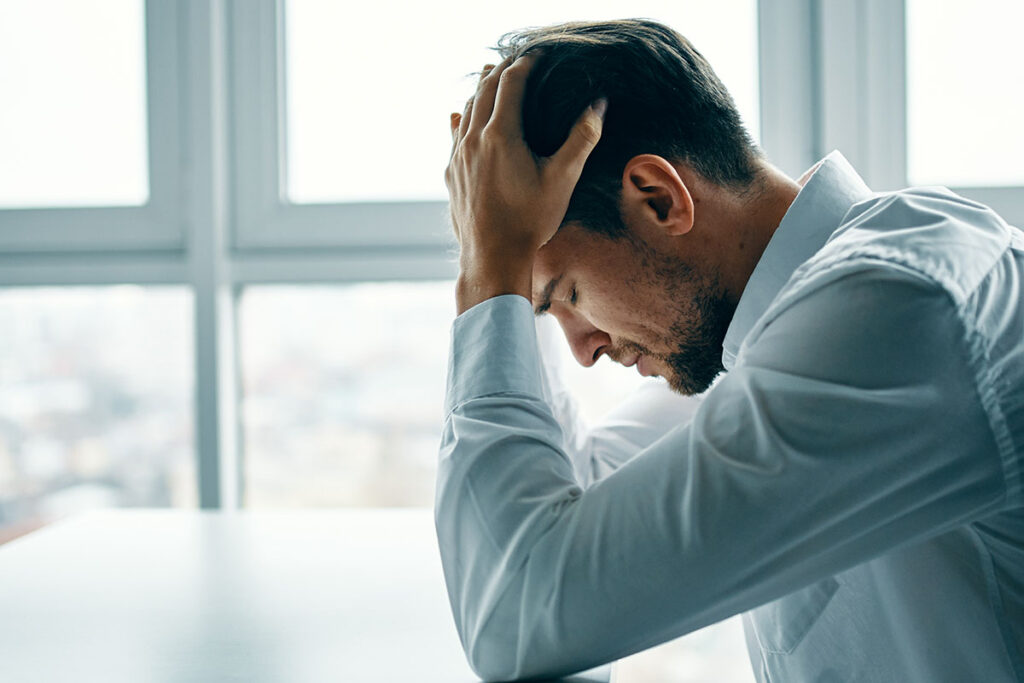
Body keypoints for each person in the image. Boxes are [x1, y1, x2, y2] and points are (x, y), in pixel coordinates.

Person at [437, 19, 1024, 682]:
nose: (581, 350)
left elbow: (519, 617)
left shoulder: (900, 310)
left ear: (658, 200)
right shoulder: (768, 339)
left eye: (569, 295)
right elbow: (568, 508)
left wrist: (493, 274)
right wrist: (497, 260)